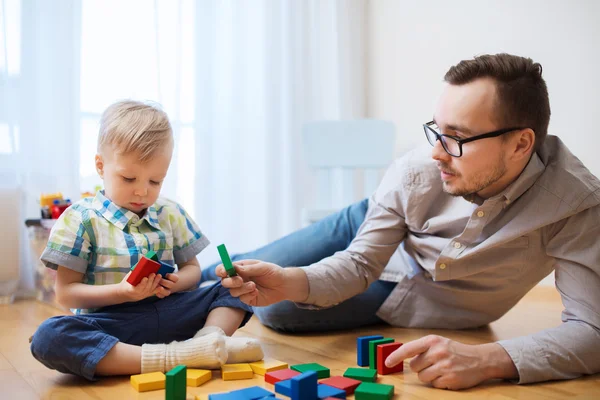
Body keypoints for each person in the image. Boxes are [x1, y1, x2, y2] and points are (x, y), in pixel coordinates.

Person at [205, 53, 600, 390]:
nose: (436, 154)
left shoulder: (576, 205)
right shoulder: (416, 171)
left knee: (276, 310)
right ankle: (186, 273)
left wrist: (488, 360)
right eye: (436, 131)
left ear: (520, 144)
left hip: (431, 296)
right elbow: (360, 263)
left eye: (456, 138)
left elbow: (592, 331)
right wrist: (290, 279)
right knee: (257, 269)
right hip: (372, 225)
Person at [30, 100, 263, 381]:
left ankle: (209, 340)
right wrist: (122, 292)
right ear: (101, 166)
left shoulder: (170, 212)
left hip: (171, 313)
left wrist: (178, 281)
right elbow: (66, 293)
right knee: (49, 337)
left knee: (235, 283)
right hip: (113, 326)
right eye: (129, 178)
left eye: (155, 181)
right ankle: (185, 355)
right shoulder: (80, 219)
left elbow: (192, 270)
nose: (142, 191)